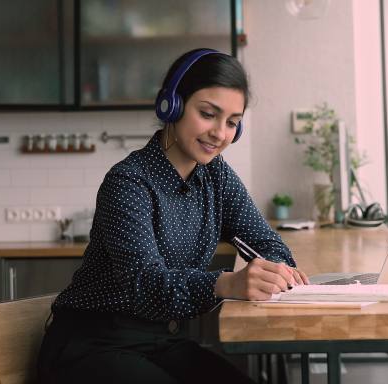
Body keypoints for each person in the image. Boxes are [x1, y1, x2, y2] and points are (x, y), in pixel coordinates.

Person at [37, 48, 310, 384]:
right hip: (94, 346)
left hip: (162, 342)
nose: (220, 133)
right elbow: (145, 285)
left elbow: (266, 241)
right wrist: (229, 282)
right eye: (208, 114)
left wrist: (272, 268)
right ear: (172, 105)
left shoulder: (216, 176)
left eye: (232, 123)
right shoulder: (128, 182)